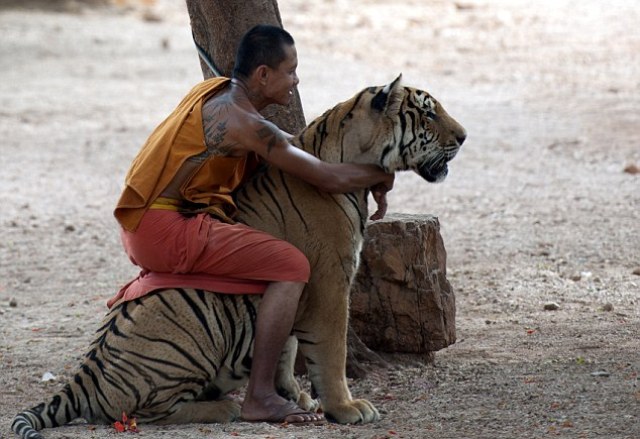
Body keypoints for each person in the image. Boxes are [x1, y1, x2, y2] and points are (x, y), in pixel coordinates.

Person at [110, 24, 394, 424]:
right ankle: (259, 395)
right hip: (164, 228)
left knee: (269, 257)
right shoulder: (245, 122)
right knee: (293, 266)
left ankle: (278, 383)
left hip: (145, 223)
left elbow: (294, 150)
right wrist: (381, 173)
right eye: (291, 70)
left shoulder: (219, 93)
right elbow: (326, 177)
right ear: (263, 75)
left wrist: (371, 175)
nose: (296, 81)